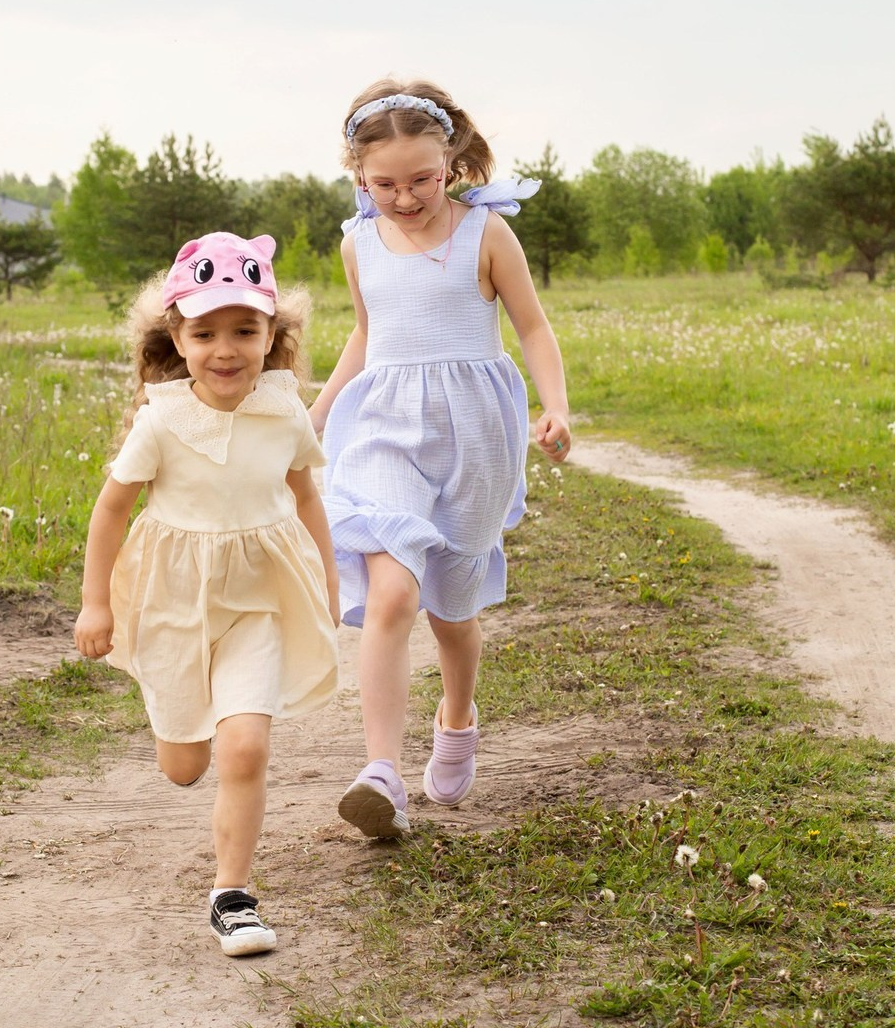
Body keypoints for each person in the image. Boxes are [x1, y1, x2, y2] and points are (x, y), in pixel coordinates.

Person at [308, 79, 571, 839]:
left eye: (421, 179)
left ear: (450, 161)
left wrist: (554, 406)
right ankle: (381, 774)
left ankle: (457, 717)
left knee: (452, 612)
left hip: (475, 435)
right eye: (383, 183)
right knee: (392, 590)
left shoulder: (485, 234)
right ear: (358, 175)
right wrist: (318, 416)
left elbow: (533, 326)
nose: (404, 196)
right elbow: (366, 335)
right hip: (384, 428)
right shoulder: (358, 243)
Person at [74, 231, 340, 956]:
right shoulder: (163, 422)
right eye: (207, 333)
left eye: (245, 331)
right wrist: (96, 602)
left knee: (246, 747)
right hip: (171, 605)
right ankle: (180, 730)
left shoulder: (283, 412)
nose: (227, 349)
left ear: (271, 335)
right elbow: (111, 510)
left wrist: (327, 575)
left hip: (258, 600)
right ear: (178, 338)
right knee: (184, 765)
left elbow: (307, 498)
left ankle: (233, 894)